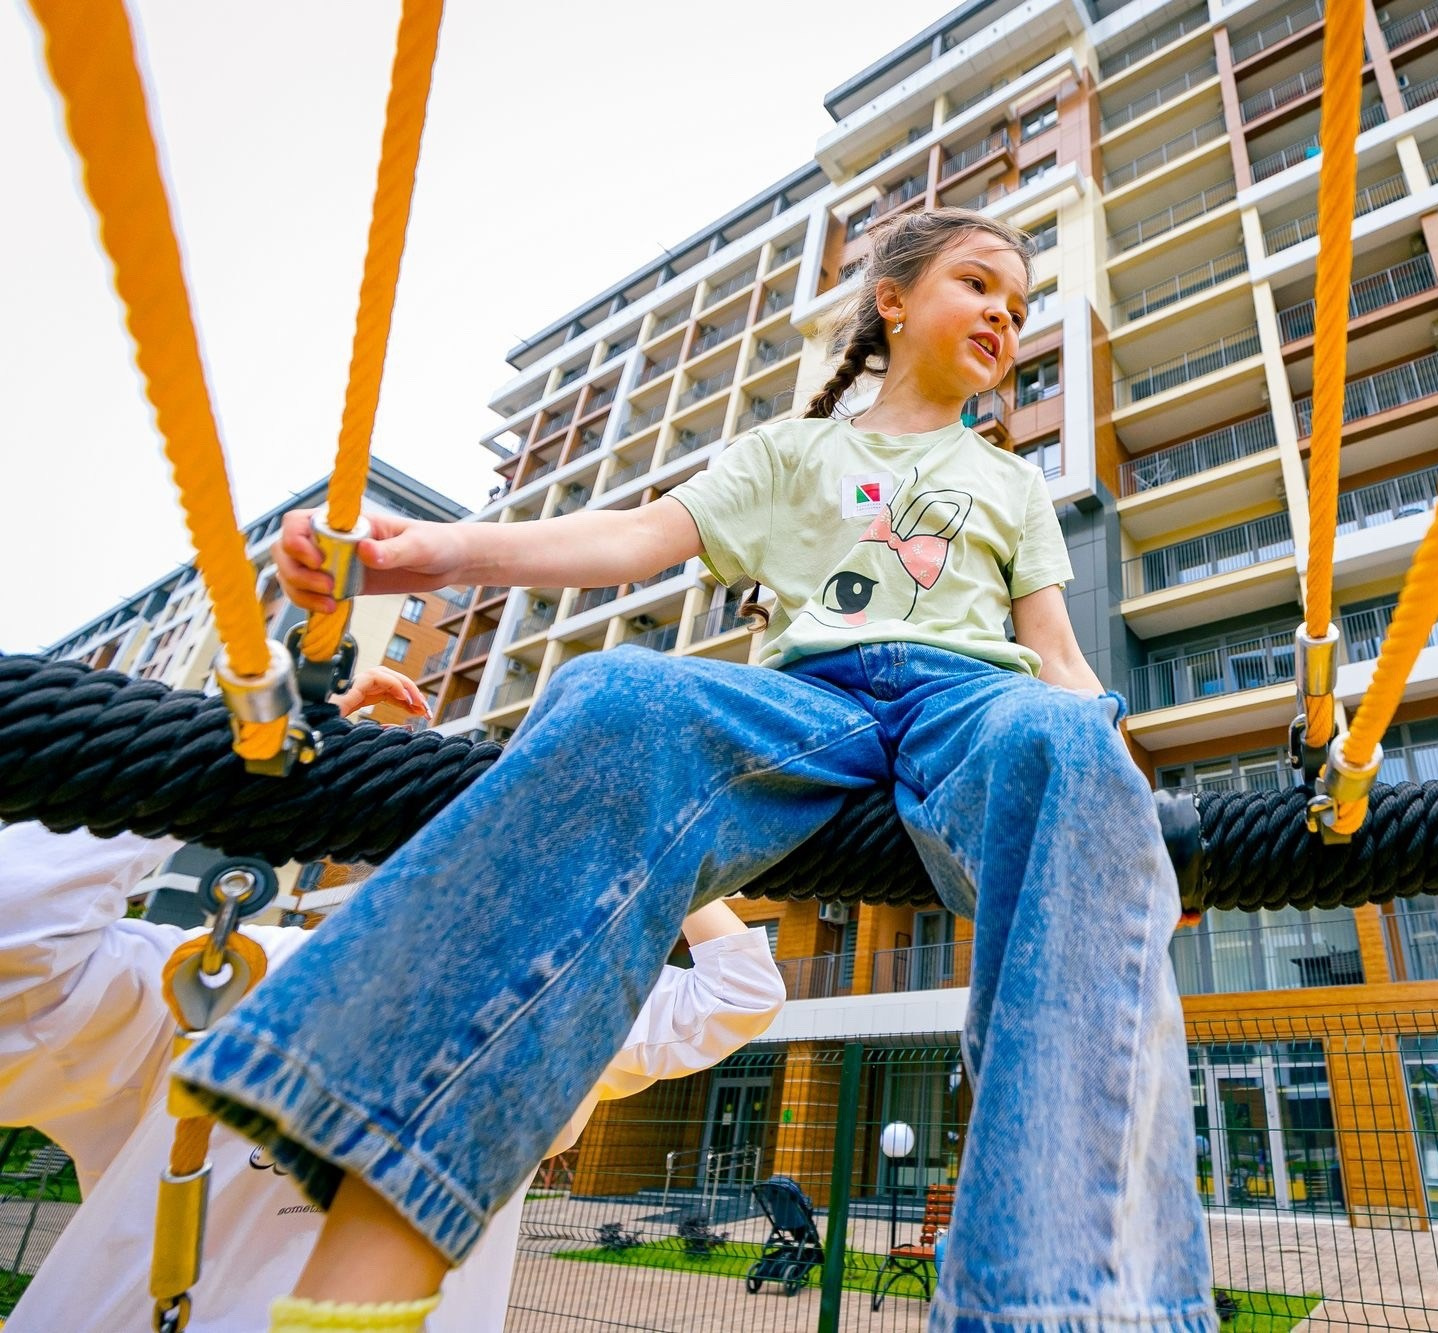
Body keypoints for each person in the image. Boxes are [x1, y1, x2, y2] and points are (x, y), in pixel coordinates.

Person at [174, 207, 1215, 1333]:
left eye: (1018, 308)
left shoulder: (1006, 481)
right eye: (978, 287)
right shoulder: (792, 453)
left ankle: (1067, 1310)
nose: (1004, 318)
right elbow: (632, 540)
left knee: (1066, 746)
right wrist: (435, 556)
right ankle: (358, 1289)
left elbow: (1057, 658)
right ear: (894, 302)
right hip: (814, 696)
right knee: (619, 696)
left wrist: (1129, 835)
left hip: (973, 694)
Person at [0, 667, 785, 1332]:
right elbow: (17, 941)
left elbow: (738, 991)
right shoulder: (216, 974)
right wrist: (240, 737)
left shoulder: (527, 1005)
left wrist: (636, 828)